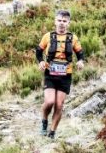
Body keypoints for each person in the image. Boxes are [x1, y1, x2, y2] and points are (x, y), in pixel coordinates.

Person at [36, 9, 85, 139]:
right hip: (50, 74)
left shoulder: (73, 38)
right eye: (59, 20)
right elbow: (38, 51)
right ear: (55, 21)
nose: (61, 23)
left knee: (59, 105)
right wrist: (40, 61)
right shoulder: (48, 36)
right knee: (50, 101)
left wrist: (80, 61)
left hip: (65, 76)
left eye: (64, 21)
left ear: (68, 23)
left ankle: (52, 133)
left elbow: (80, 53)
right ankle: (44, 120)